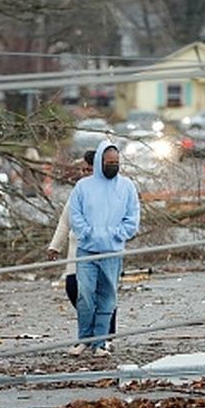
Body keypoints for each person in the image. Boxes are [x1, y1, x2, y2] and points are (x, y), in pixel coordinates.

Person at [66, 140, 140, 357]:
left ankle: (100, 342)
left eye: (116, 162)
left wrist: (117, 235)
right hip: (87, 250)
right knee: (85, 295)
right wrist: (88, 233)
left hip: (113, 251)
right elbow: (75, 215)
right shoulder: (83, 187)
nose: (113, 166)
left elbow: (132, 217)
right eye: (109, 162)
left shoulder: (126, 187)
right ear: (100, 161)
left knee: (108, 297)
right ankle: (84, 339)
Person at [47, 151, 118, 338]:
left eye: (89, 169)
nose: (85, 173)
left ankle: (105, 336)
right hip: (76, 251)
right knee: (74, 289)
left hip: (101, 251)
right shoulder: (78, 192)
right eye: (83, 170)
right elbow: (65, 220)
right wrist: (55, 246)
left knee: (104, 295)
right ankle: (91, 332)